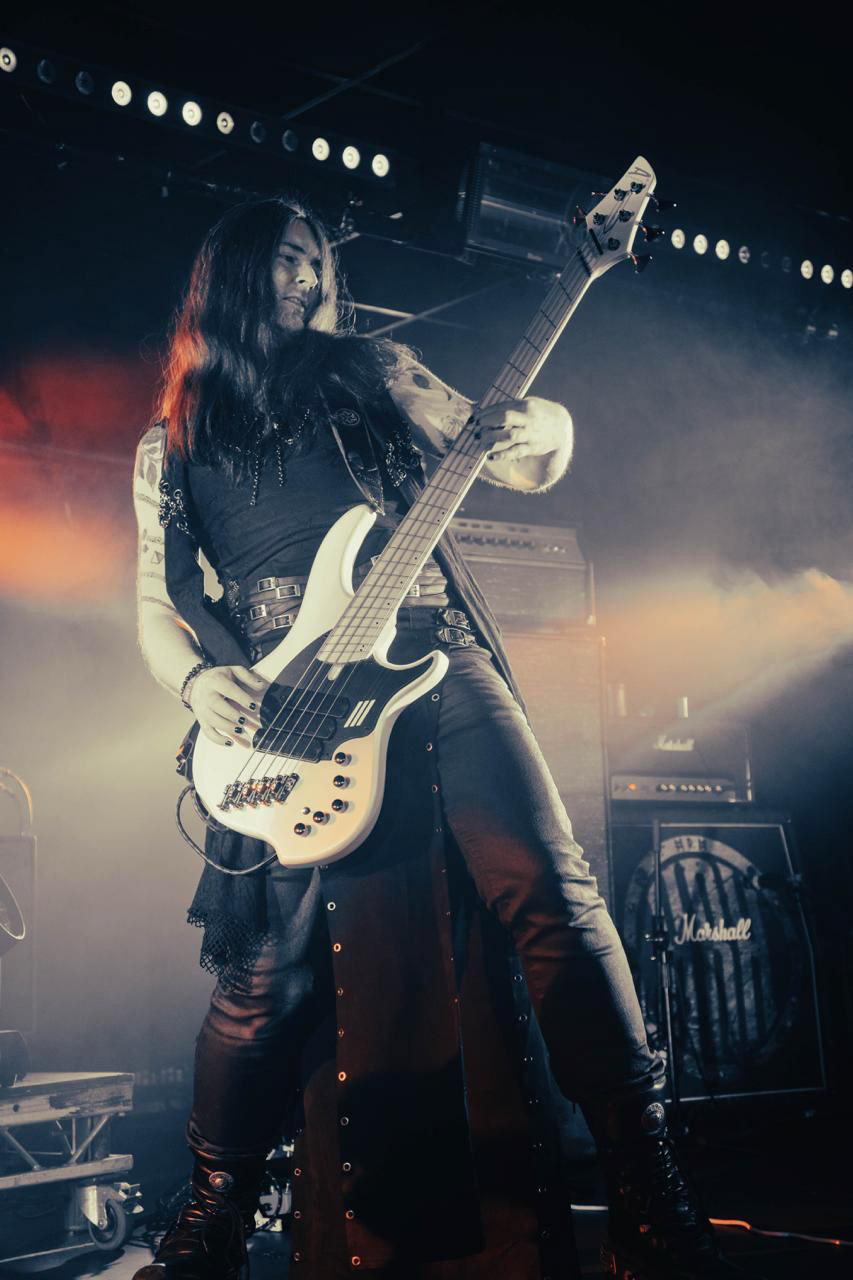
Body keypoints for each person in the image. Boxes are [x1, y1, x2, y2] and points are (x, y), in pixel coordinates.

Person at [132, 197, 748, 1280]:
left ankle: (648, 1190)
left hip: (431, 651)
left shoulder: (375, 369)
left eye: (318, 262)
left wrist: (546, 430)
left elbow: (509, 459)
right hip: (284, 707)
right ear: (228, 272)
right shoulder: (169, 440)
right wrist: (194, 678)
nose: (308, 278)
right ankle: (212, 1216)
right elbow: (155, 600)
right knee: (263, 974)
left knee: (552, 891)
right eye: (286, 259)